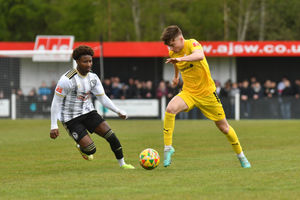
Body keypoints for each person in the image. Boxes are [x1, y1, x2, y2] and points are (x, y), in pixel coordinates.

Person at [160, 25, 251, 168]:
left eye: (173, 44)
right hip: (189, 92)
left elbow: (199, 55)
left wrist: (180, 59)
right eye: (170, 46)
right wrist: (176, 76)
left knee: (224, 128)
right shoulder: (173, 51)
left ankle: (242, 156)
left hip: (208, 94)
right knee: (170, 109)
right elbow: (175, 62)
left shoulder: (192, 44)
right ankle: (168, 148)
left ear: (181, 39)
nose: (172, 49)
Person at [50, 45, 134, 169]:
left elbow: (102, 98)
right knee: (91, 150)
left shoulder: (93, 78)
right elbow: (56, 102)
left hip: (89, 112)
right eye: (85, 61)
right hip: (70, 118)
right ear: (77, 61)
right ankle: (81, 146)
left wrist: (118, 111)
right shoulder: (67, 80)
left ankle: (123, 164)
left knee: (111, 136)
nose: (89, 64)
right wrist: (54, 125)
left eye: (90, 61)